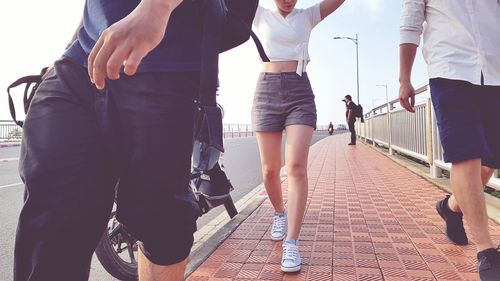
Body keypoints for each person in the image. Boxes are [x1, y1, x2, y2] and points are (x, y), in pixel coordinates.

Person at [13, 0, 217, 280]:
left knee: (161, 218)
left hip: (162, 57)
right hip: (82, 59)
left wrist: (158, 6)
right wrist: (67, 51)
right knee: (51, 210)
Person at [399, 1, 500, 280]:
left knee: (490, 162)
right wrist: (404, 78)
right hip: (449, 69)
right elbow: (410, 22)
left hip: (495, 72)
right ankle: (487, 253)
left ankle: (451, 206)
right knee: (466, 154)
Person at [252, 0, 345, 273]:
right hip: (266, 91)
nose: (288, 1)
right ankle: (279, 212)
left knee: (295, 168)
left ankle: (291, 242)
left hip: (299, 92)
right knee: (269, 171)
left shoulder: (308, 16)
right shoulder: (258, 14)